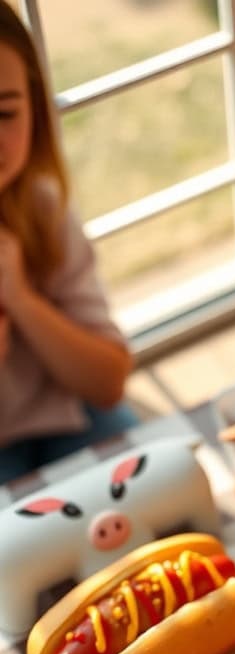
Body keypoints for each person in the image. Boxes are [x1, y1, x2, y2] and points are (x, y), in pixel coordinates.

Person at [0, 1, 137, 486]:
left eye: (4, 112)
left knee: (158, 483)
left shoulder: (43, 209)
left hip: (70, 415)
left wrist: (20, 297)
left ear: (35, 108)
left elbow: (108, 382)